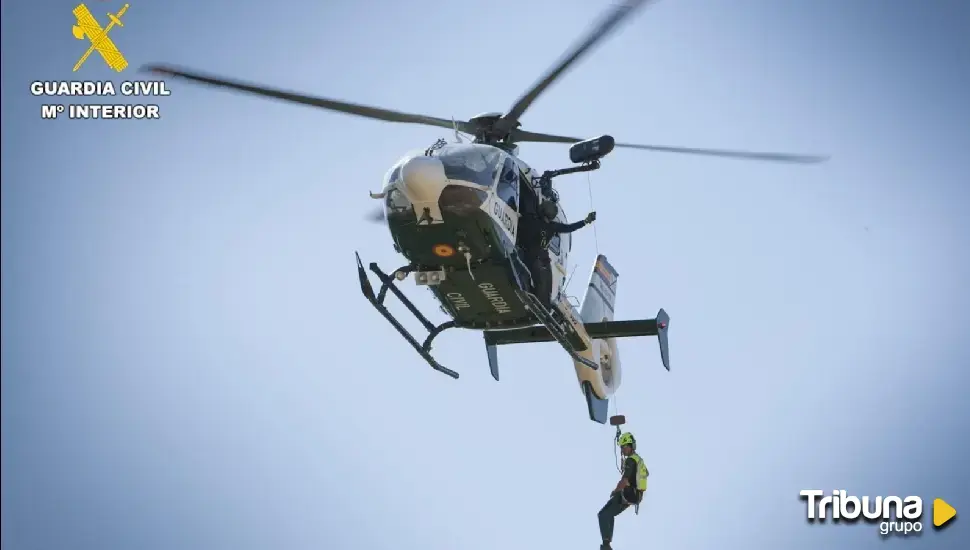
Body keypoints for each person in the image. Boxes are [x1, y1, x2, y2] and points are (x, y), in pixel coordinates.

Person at [518, 199, 595, 306]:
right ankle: (541, 302)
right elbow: (569, 228)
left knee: (545, 280)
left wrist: (585, 222)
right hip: (536, 257)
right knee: (543, 280)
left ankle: (539, 302)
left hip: (537, 256)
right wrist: (585, 222)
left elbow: (568, 228)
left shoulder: (534, 220)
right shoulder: (551, 226)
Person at [598, 432, 648, 550]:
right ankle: (607, 543)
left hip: (629, 493)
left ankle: (606, 545)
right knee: (608, 514)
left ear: (630, 446)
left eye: (624, 447)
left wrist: (616, 490)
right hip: (636, 495)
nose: (622, 450)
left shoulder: (631, 461)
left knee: (603, 515)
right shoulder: (638, 459)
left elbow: (624, 480)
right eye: (621, 447)